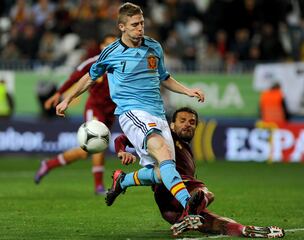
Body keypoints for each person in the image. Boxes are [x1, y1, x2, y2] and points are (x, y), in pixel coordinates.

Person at [55, 2, 205, 233]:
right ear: (122, 27)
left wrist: (187, 91)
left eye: (142, 23)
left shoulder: (154, 47)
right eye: (135, 25)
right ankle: (189, 206)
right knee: (163, 153)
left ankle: (122, 181)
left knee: (161, 171)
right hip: (131, 112)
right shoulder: (111, 52)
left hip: (157, 112)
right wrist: (67, 99)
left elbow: (164, 76)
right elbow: (88, 77)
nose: (140, 28)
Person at [113, 107, 285, 238]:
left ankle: (244, 230)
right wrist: (121, 151)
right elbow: (122, 138)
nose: (188, 124)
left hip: (169, 210)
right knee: (205, 193)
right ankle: (190, 213)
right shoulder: (163, 136)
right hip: (175, 188)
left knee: (213, 224)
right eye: (182, 120)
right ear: (171, 125)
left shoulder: (186, 151)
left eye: (192, 122)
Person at [34, 34, 117, 195]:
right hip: (95, 107)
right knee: (98, 140)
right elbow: (75, 77)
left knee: (86, 151)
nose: (109, 47)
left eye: (113, 44)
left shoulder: (122, 62)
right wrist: (59, 93)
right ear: (101, 46)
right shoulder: (93, 61)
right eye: (107, 44)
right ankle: (98, 187)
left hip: (111, 111)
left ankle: (49, 164)